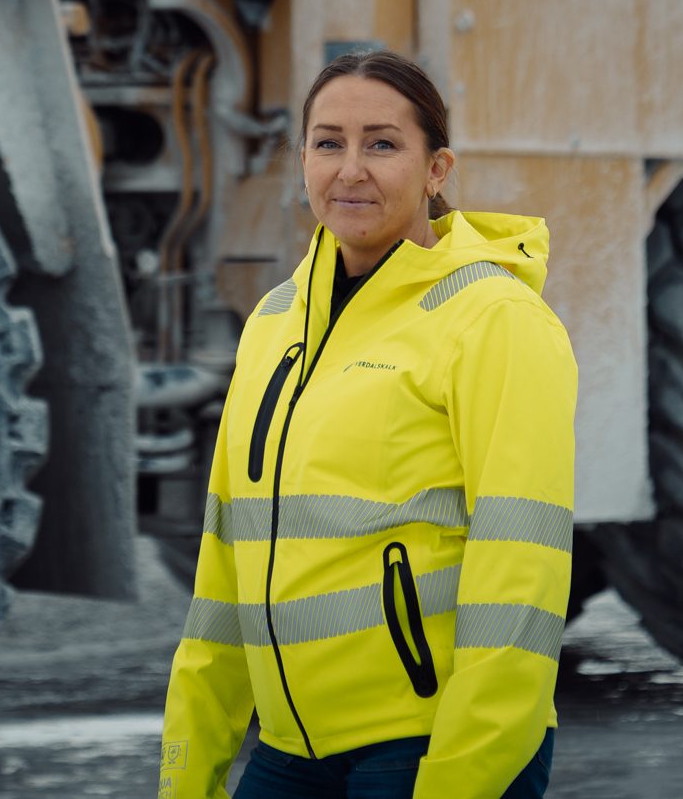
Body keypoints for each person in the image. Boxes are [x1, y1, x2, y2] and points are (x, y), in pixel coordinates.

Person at [159, 50, 578, 799]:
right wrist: (188, 777)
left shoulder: (493, 320)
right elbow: (224, 570)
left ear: (436, 168)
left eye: (381, 144)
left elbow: (520, 573)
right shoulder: (273, 323)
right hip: (287, 753)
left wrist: (463, 773)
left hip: (424, 748)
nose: (350, 169)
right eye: (328, 143)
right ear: (302, 162)